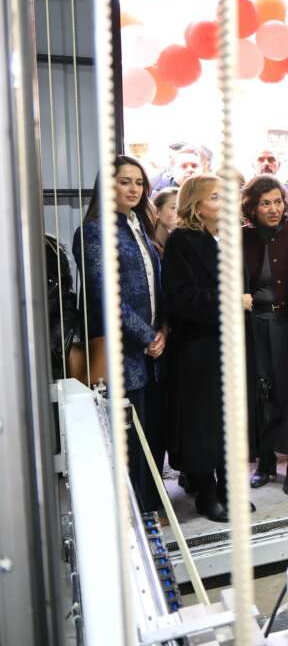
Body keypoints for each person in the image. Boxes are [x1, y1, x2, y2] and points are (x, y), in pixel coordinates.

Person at [73, 156, 166, 513]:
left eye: (139, 183)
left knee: (148, 438)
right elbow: (106, 294)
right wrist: (148, 336)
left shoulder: (138, 226)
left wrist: (162, 331)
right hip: (119, 353)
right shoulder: (94, 231)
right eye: (125, 181)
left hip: (150, 352)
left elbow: (155, 288)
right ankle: (128, 515)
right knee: (124, 439)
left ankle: (146, 508)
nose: (133, 189)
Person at [162, 174, 252, 522]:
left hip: (227, 346)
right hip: (199, 348)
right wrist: (230, 300)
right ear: (196, 206)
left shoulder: (224, 238)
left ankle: (230, 489)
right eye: (215, 197)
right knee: (204, 424)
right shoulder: (183, 242)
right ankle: (207, 493)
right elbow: (182, 298)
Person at [241, 175, 288, 494]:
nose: (273, 209)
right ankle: (265, 462)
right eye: (265, 203)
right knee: (262, 396)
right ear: (252, 207)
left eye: (278, 202)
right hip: (254, 325)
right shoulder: (241, 237)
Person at [151, 187, 179, 255]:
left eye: (182, 207)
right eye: (174, 208)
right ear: (157, 212)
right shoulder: (148, 244)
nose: (180, 213)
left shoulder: (178, 241)